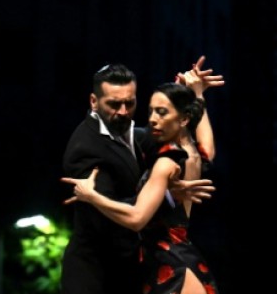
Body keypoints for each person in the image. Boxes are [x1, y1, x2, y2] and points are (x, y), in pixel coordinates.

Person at [60, 57, 222, 294]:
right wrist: (195, 94)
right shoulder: (85, 147)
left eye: (131, 103)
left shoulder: (160, 153)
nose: (125, 112)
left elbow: (137, 216)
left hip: (166, 264)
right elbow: (206, 148)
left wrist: (90, 195)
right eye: (114, 104)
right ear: (94, 102)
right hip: (99, 274)